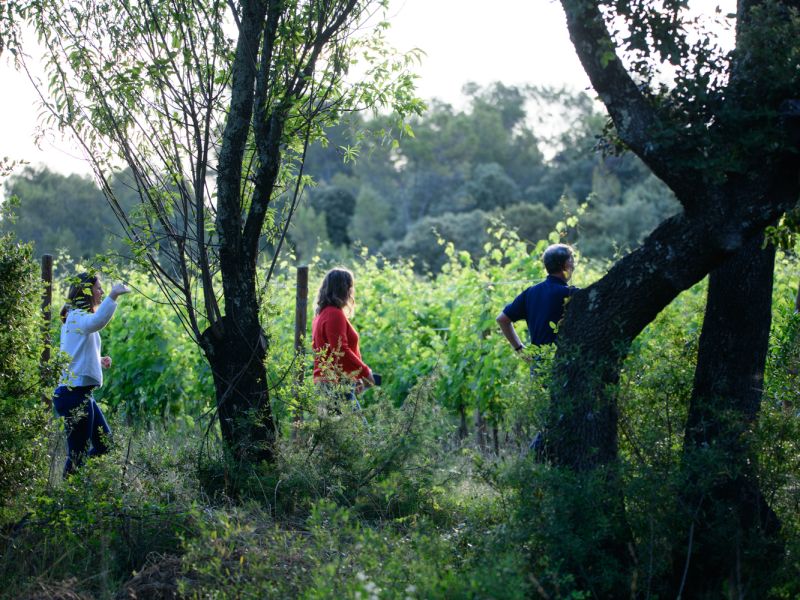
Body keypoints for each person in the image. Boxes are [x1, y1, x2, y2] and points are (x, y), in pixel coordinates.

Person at [496, 243, 576, 456]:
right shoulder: (570, 294)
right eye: (572, 260)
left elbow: (502, 319)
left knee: (548, 418)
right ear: (564, 264)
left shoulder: (531, 293)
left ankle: (543, 467)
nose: (574, 265)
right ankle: (532, 462)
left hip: (538, 366)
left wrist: (520, 350)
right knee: (559, 419)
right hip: (563, 366)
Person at [53, 273, 130, 477]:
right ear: (86, 292)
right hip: (73, 395)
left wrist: (98, 360)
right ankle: (69, 497)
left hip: (82, 394)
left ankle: (81, 485)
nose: (102, 291)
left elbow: (75, 353)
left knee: (105, 445)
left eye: (103, 289)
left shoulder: (77, 317)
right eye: (98, 288)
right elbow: (97, 321)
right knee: (77, 454)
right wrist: (113, 295)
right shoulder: (76, 316)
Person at [311, 268, 375, 411]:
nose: (352, 292)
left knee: (337, 432)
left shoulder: (321, 315)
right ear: (344, 289)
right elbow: (341, 351)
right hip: (335, 385)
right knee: (357, 432)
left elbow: (332, 355)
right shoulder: (334, 314)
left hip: (328, 383)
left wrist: (353, 377)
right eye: (350, 287)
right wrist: (365, 372)